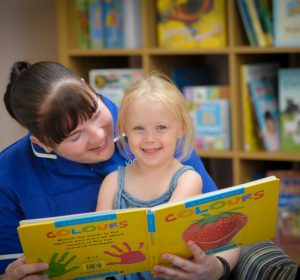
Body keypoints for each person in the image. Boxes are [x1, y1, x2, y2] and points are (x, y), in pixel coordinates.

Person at [0, 60, 227, 280]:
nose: (99, 136)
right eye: (75, 135)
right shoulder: (9, 173)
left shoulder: (151, 124)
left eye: (95, 113)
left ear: (87, 87)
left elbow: (223, 225)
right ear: (43, 142)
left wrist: (215, 269)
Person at [97, 72, 240, 280]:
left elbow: (163, 234)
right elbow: (98, 245)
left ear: (180, 128)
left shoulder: (187, 179)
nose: (149, 138)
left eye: (161, 128)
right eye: (138, 128)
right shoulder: (112, 182)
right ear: (124, 129)